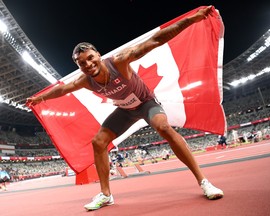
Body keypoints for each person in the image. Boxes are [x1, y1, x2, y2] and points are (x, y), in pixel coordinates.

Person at [26, 5, 223, 211]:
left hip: (146, 103)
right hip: (126, 111)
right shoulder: (85, 80)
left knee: (163, 128)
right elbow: (62, 89)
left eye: (91, 58)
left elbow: (155, 41)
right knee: (98, 142)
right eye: (82, 63)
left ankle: (204, 181)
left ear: (98, 55)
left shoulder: (119, 62)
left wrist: (191, 20)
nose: (88, 64)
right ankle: (105, 194)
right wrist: (39, 99)